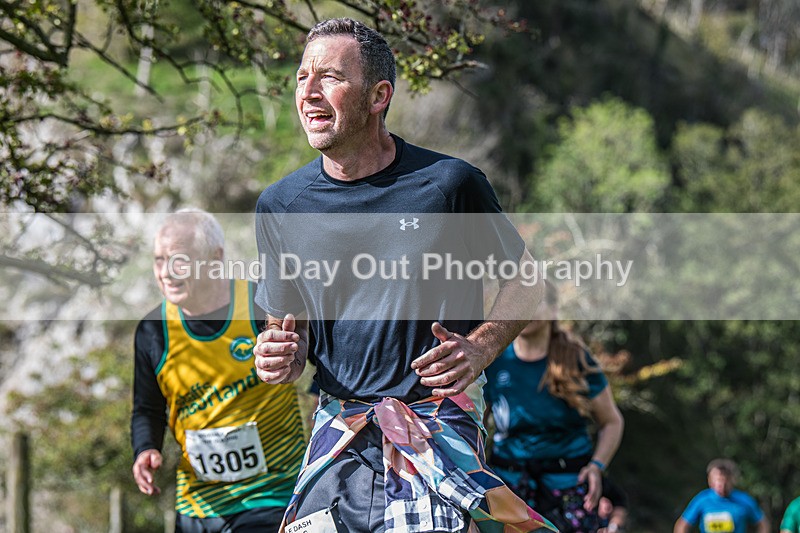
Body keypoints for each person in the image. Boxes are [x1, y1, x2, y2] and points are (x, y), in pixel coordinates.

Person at [253, 17, 555, 533]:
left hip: (434, 421)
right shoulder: (280, 205)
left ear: (378, 96)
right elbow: (291, 329)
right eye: (302, 77)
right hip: (339, 429)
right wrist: (278, 355)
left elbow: (526, 282)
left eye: (330, 77)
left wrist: (481, 347)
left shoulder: (448, 186)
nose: (308, 92)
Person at [131, 209, 305, 532]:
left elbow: (311, 354)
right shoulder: (153, 330)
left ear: (215, 258)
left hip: (271, 495)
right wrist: (146, 448)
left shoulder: (260, 303)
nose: (166, 273)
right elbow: (147, 407)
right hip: (198, 505)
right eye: (159, 260)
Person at [483, 279, 625, 533]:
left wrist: (597, 466)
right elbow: (476, 424)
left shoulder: (576, 359)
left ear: (553, 310)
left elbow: (612, 421)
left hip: (569, 484)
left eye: (535, 303)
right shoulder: (494, 361)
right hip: (510, 484)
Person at [674, 458, 769, 533]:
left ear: (732, 480)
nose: (721, 484)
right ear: (709, 480)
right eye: (717, 480)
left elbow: (763, 524)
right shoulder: (702, 500)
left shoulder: (744, 500)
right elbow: (682, 525)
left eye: (724, 480)